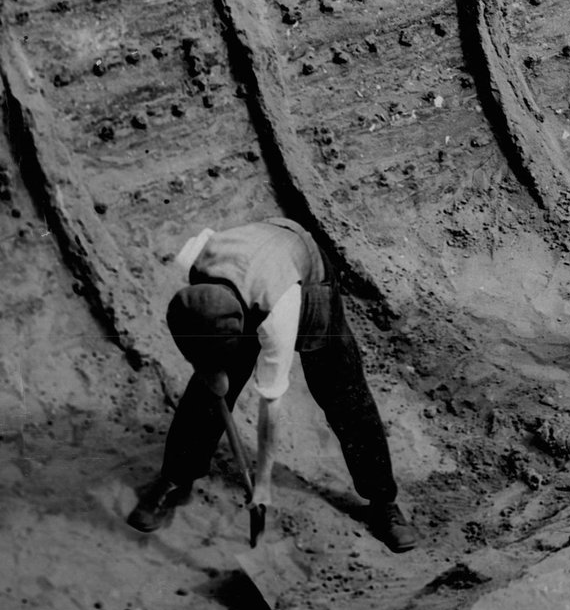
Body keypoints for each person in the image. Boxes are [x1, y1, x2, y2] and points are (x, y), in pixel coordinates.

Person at [126, 217, 418, 553]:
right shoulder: (195, 265)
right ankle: (177, 477)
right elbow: (200, 348)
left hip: (303, 278)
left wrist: (262, 485)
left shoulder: (279, 316)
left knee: (343, 394)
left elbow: (270, 408)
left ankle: (382, 501)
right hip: (250, 278)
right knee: (206, 393)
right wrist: (209, 366)